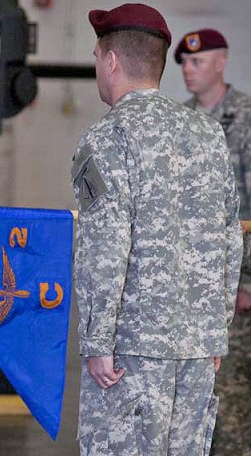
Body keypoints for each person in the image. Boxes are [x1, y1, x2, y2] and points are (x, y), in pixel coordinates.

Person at [71, 4, 243, 456]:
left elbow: (104, 246)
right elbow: (230, 234)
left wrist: (97, 340)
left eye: (95, 58)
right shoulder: (208, 133)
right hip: (197, 345)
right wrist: (215, 329)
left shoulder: (108, 136)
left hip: (132, 350)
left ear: (111, 61)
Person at [175, 28, 251, 456]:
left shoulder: (245, 118)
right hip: (194, 286)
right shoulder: (183, 123)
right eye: (184, 63)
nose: (188, 70)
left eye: (197, 62)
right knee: (195, 400)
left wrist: (247, 282)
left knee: (233, 402)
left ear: (221, 62)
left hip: (237, 287)